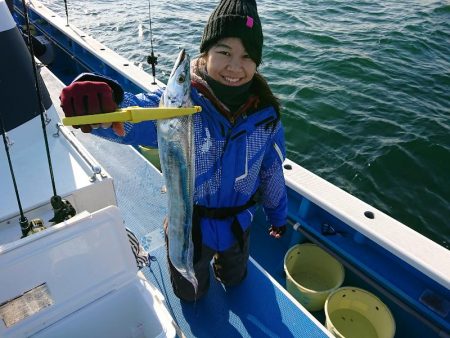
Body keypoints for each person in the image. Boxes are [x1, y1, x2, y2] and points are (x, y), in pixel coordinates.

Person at [59, 0, 287, 302]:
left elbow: (272, 172)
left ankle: (226, 273)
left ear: (257, 63)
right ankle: (193, 287)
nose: (235, 66)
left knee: (235, 277)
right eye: (224, 53)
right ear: (205, 54)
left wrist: (277, 215)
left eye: (247, 56)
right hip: (189, 224)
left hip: (238, 224)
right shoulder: (178, 104)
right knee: (190, 293)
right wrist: (106, 104)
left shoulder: (267, 117)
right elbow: (136, 115)